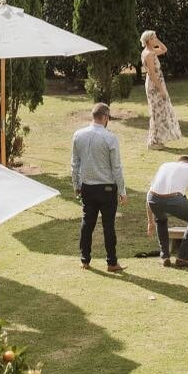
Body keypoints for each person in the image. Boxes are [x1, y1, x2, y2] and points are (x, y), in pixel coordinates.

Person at [70, 102, 126, 272]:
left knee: (87, 223)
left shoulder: (78, 135)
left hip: (87, 186)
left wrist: (76, 185)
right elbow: (116, 167)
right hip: (107, 188)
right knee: (108, 225)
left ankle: (85, 259)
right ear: (105, 117)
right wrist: (122, 190)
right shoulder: (110, 137)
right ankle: (111, 262)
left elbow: (75, 164)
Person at [147, 155, 188, 266]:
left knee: (160, 220)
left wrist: (150, 222)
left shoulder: (165, 165)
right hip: (174, 198)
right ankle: (182, 258)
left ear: (179, 161)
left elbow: (150, 192)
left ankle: (165, 257)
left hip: (153, 198)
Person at [139, 30, 182, 148]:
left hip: (157, 83)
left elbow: (164, 49)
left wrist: (158, 41)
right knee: (157, 112)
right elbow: (152, 74)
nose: (156, 39)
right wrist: (161, 89)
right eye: (154, 38)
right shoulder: (148, 54)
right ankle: (153, 142)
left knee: (160, 111)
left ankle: (157, 140)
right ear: (149, 40)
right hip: (154, 85)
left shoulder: (151, 52)